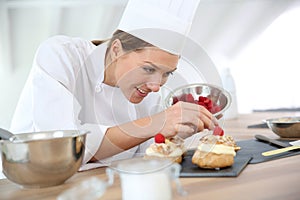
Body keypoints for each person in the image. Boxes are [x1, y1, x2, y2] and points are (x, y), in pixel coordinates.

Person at [10, 0, 218, 168]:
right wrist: (156, 123)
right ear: (117, 50)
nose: (156, 86)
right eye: (148, 69)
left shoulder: (148, 92)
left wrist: (177, 130)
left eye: (167, 74)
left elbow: (145, 153)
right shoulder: (60, 55)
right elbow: (62, 150)